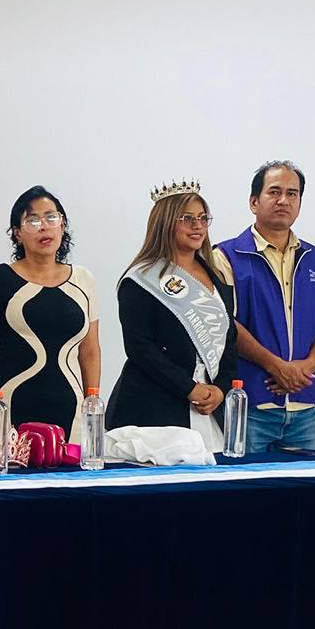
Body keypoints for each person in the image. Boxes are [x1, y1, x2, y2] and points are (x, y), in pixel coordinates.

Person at [215, 159, 315, 454]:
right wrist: (277, 367)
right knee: (248, 482)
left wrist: (307, 366)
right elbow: (226, 325)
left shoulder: (314, 258)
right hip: (249, 404)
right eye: (274, 192)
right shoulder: (227, 256)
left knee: (304, 483)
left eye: (292, 193)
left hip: (303, 407)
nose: (284, 200)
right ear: (254, 202)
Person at [104, 181, 237, 445]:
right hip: (155, 407)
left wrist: (221, 389)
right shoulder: (140, 279)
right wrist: (189, 388)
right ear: (165, 222)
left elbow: (229, 338)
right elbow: (140, 347)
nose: (197, 226)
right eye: (187, 218)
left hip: (210, 407)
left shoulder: (217, 276)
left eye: (203, 218)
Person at [0, 187, 102, 434]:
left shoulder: (83, 280)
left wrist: (92, 409)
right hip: (12, 412)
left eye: (51, 217)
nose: (43, 227)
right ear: (17, 233)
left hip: (71, 414)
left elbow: (90, 351)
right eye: (33, 220)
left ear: (62, 225)